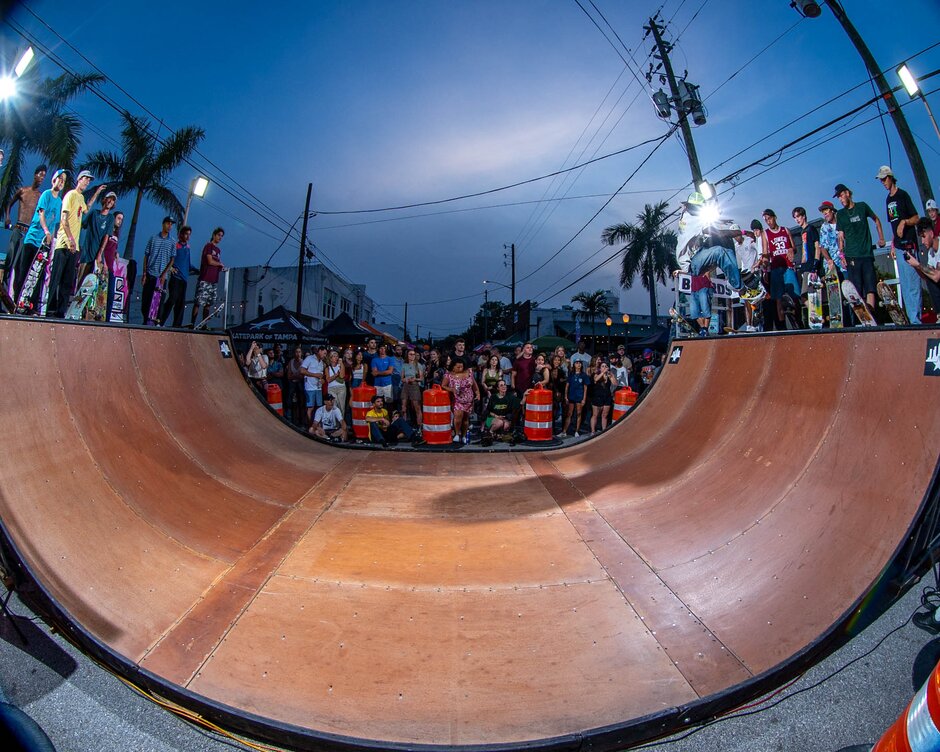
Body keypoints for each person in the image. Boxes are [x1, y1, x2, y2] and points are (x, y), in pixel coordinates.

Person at [673, 191, 763, 302]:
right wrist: (742, 232)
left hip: (698, 254)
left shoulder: (686, 212)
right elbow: (719, 232)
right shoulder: (693, 220)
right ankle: (739, 288)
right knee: (720, 249)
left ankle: (732, 276)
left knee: (725, 240)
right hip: (691, 264)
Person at [48, 170, 103, 318]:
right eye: (85, 179)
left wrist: (97, 193)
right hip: (64, 243)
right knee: (56, 278)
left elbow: (86, 210)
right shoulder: (70, 195)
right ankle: (50, 310)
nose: (86, 182)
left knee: (67, 281)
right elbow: (64, 220)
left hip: (74, 247)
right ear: (79, 179)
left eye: (89, 181)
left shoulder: (81, 198)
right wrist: (71, 240)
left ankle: (61, 311)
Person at [12, 169, 65, 308]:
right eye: (59, 179)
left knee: (37, 274)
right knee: (25, 271)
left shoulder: (59, 201)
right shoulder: (46, 195)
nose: (61, 182)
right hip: (32, 239)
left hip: (44, 244)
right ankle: (16, 302)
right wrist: (46, 231)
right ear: (54, 180)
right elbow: (41, 214)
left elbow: (54, 223)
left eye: (63, 180)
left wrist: (51, 240)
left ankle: (31, 306)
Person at [877, 166, 922, 323]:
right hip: (899, 245)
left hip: (909, 245)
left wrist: (905, 221)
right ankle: (911, 319)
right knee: (904, 284)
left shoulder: (903, 195)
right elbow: (893, 225)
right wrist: (893, 245)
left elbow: (916, 218)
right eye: (881, 180)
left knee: (913, 284)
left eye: (884, 179)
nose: (883, 182)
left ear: (890, 177)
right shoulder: (888, 199)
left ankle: (916, 320)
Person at [834, 182, 886, 313]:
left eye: (841, 195)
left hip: (866, 254)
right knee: (856, 288)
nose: (840, 199)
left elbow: (877, 220)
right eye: (838, 197)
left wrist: (881, 238)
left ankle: (871, 312)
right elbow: (840, 235)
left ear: (847, 193)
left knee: (870, 286)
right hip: (852, 255)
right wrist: (841, 255)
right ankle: (863, 314)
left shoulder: (862, 206)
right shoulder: (840, 214)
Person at [2, 164, 46, 293]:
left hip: (29, 232)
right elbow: (9, 204)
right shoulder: (23, 190)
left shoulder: (40, 196)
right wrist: (8, 217)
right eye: (40, 175)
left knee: (20, 264)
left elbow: (42, 214)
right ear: (35, 175)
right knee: (10, 258)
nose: (41, 178)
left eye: (44, 176)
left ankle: (15, 293)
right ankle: (4, 284)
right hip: (18, 228)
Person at [762, 208, 799, 327]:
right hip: (775, 268)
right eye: (766, 220)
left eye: (770, 218)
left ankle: (798, 321)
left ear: (775, 217)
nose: (768, 222)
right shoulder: (765, 234)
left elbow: (795, 248)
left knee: (795, 295)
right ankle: (782, 325)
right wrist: (765, 267)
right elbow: (765, 254)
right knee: (778, 298)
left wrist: (791, 249)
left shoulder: (785, 230)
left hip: (788, 266)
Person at [141, 216, 178, 323]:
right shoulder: (153, 238)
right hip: (150, 273)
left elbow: (172, 259)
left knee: (159, 302)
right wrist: (144, 273)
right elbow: (146, 256)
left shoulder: (172, 241)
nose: (169, 226)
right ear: (163, 224)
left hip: (162, 277)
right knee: (146, 301)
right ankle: (145, 322)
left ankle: (156, 323)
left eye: (171, 224)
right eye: (168, 223)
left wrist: (163, 274)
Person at [77, 190, 116, 283]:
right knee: (80, 280)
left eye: (113, 200)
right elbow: (82, 224)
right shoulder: (94, 213)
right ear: (104, 200)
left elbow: (107, 236)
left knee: (92, 284)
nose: (110, 201)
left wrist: (99, 253)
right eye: (109, 199)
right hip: (86, 252)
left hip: (97, 255)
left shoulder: (110, 218)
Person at [190, 228, 226, 327]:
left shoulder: (218, 250)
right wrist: (219, 264)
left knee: (208, 304)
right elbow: (210, 261)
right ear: (214, 235)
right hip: (205, 278)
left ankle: (204, 325)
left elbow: (217, 265)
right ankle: (192, 323)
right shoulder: (208, 246)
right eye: (219, 235)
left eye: (221, 236)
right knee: (199, 301)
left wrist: (221, 267)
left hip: (214, 280)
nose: (220, 238)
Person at [159, 224, 192, 328]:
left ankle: (177, 326)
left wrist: (197, 270)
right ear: (181, 235)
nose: (188, 237)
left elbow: (188, 263)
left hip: (184, 279)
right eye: (186, 234)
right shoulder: (175, 246)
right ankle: (160, 320)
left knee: (180, 303)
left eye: (189, 235)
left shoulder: (188, 247)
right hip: (175, 279)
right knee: (172, 299)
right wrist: (171, 268)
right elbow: (168, 259)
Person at [793, 207, 821, 326]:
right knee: (805, 296)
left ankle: (817, 316)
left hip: (811, 266)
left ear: (804, 216)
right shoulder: (802, 232)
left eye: (798, 216)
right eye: (795, 218)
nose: (797, 220)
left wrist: (816, 263)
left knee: (806, 294)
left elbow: (817, 246)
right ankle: (816, 316)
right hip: (804, 267)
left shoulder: (811, 229)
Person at [442, 358, 479, 445]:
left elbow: (474, 384)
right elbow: (443, 385)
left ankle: (463, 435)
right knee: (458, 416)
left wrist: (478, 394)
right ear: (453, 367)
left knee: (466, 418)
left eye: (461, 367)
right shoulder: (449, 375)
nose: (460, 369)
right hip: (457, 399)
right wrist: (451, 389)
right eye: (458, 367)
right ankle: (457, 434)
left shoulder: (469, 372)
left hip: (469, 399)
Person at [904, 218, 940, 285]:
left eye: (924, 237)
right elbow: (926, 276)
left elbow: (936, 276)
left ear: (931, 234)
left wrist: (918, 265)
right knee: (930, 281)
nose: (922, 242)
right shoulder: (931, 252)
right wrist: (914, 264)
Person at [563, 358, 590, 437]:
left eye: (579, 363)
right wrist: (565, 396)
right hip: (571, 396)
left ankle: (577, 431)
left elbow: (585, 388)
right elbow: (567, 386)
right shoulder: (571, 374)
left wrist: (584, 399)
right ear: (574, 364)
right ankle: (564, 431)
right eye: (576, 363)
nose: (578, 364)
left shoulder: (584, 375)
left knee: (578, 413)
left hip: (579, 396)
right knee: (569, 413)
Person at [400, 348, 425, 428]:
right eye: (410, 354)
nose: (412, 356)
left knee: (417, 407)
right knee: (403, 406)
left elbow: (421, 378)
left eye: (413, 354)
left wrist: (415, 379)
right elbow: (402, 378)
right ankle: (404, 425)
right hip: (406, 386)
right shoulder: (404, 365)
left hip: (414, 386)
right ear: (407, 355)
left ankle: (419, 426)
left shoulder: (419, 365)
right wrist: (406, 380)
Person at [301, 345, 326, 424]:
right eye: (324, 353)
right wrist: (315, 375)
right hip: (309, 388)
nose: (325, 355)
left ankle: (316, 425)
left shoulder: (322, 362)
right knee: (310, 407)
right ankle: (309, 425)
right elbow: (302, 371)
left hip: (318, 387)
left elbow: (321, 375)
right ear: (319, 351)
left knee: (319, 407)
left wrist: (322, 380)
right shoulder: (309, 359)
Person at [590, 360, 614, 433]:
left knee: (605, 415)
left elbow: (615, 383)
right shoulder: (596, 374)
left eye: (606, 366)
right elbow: (596, 379)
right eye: (602, 366)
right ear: (600, 368)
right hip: (597, 397)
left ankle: (604, 430)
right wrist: (603, 372)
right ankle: (593, 431)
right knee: (595, 415)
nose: (604, 368)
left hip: (607, 397)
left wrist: (612, 376)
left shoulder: (608, 375)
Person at [285, 346, 306, 426]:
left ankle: (302, 421)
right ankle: (291, 419)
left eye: (299, 352)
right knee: (290, 401)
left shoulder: (304, 362)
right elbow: (289, 376)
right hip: (292, 383)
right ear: (294, 353)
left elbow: (303, 376)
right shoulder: (291, 361)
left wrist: (295, 375)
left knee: (301, 402)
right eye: (296, 352)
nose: (298, 353)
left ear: (301, 353)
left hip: (300, 383)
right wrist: (297, 375)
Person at [324, 349, 347, 415]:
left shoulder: (341, 365)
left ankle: (341, 423)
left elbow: (342, 376)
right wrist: (336, 375)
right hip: (332, 388)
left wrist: (341, 364)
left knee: (341, 407)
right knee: (334, 406)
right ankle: (335, 423)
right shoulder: (327, 368)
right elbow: (328, 380)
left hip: (341, 388)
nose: (336, 357)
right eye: (334, 356)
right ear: (330, 358)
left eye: (337, 356)